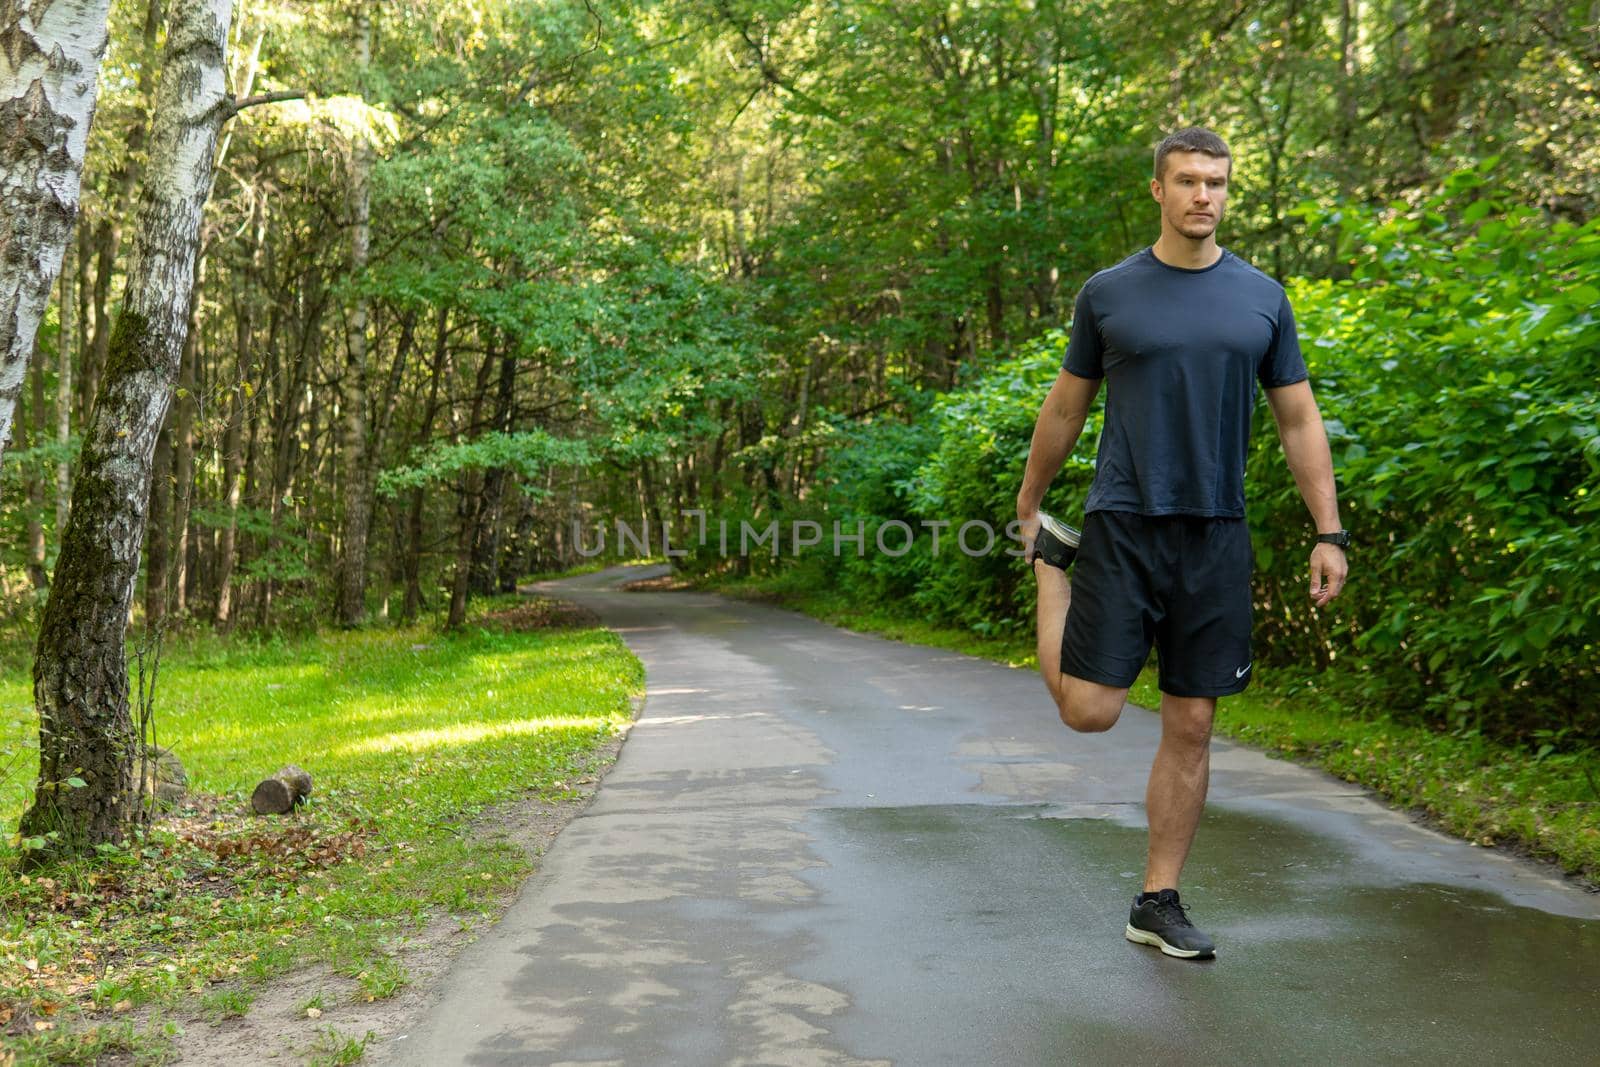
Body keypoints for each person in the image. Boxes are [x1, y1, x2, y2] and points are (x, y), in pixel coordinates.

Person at [1015, 126, 1349, 960]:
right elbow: (1065, 405)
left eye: (1218, 182)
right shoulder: (1109, 293)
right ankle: (1052, 572)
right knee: (1089, 711)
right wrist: (1030, 502)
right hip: (1124, 522)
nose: (1205, 195)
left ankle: (1157, 898)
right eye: (1189, 181)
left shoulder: (1263, 298)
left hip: (1216, 533)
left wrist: (1328, 530)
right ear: (1157, 191)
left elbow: (1298, 417)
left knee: (1193, 722)